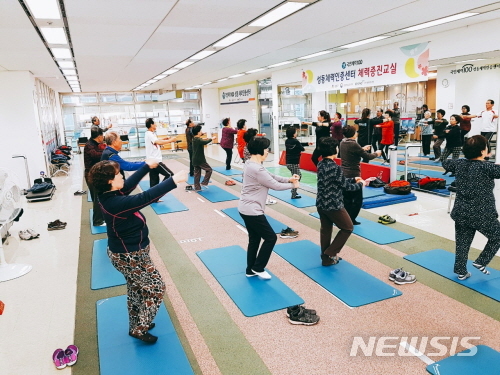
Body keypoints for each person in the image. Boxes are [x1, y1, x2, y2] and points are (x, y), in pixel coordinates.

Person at [89, 159, 187, 343]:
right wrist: (173, 181)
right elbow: (144, 198)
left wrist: (145, 167)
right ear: (110, 180)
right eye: (118, 174)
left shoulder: (109, 194)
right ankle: (140, 329)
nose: (121, 176)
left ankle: (138, 322)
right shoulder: (116, 203)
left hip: (128, 253)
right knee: (156, 288)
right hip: (130, 257)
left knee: (137, 289)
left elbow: (128, 185)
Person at [238, 136, 299, 279]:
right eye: (266, 149)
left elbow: (270, 176)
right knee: (271, 238)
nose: (267, 152)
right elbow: (275, 186)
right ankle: (258, 267)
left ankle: (250, 270)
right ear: (260, 150)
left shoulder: (250, 163)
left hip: (245, 208)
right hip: (252, 210)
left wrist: (288, 179)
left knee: (254, 239)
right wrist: (293, 185)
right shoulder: (256, 168)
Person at [442, 135, 500, 280]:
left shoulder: (459, 164)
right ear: (483, 152)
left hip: (461, 212)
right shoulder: (488, 167)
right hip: (482, 213)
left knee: (462, 244)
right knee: (497, 237)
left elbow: (446, 163)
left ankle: (461, 271)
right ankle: (481, 261)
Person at [316, 137, 364, 266]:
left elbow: (336, 182)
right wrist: (360, 184)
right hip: (334, 205)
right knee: (348, 228)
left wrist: (354, 179)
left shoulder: (320, 164)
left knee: (326, 230)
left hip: (321, 203)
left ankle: (326, 259)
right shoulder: (335, 167)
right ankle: (329, 253)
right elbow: (346, 187)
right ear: (334, 150)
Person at [339, 125, 381, 225]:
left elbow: (352, 151)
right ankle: (351, 219)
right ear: (353, 134)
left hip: (344, 173)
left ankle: (345, 218)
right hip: (354, 174)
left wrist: (362, 149)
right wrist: (377, 153)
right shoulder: (354, 144)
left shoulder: (342, 142)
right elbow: (368, 156)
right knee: (357, 199)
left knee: (346, 198)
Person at [84, 126, 106, 226]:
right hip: (91, 176)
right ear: (99, 136)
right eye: (102, 136)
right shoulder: (89, 146)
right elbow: (97, 155)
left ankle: (101, 217)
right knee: (97, 198)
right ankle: (97, 221)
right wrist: (108, 151)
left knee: (98, 197)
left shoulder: (94, 143)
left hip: (94, 174)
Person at [145, 118, 177, 187]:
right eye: (155, 124)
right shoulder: (150, 134)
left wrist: (164, 139)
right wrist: (171, 140)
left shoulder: (150, 133)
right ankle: (160, 189)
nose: (156, 125)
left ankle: (154, 196)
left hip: (151, 161)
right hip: (155, 161)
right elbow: (158, 142)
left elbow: (156, 141)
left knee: (154, 182)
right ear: (151, 125)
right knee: (170, 174)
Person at [192, 125, 216, 191]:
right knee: (209, 170)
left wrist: (203, 135)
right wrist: (212, 138)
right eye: (200, 131)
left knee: (197, 174)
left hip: (194, 160)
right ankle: (204, 183)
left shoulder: (194, 139)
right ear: (198, 132)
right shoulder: (199, 140)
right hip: (200, 160)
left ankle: (197, 187)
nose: (201, 132)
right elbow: (205, 142)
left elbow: (200, 139)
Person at [285, 127, 305, 199]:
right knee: (297, 177)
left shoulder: (287, 141)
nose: (297, 133)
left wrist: (307, 143)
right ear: (293, 134)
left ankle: (293, 190)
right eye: (296, 132)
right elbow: (302, 148)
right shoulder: (296, 141)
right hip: (294, 163)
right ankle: (293, 193)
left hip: (288, 162)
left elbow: (298, 145)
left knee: (295, 176)